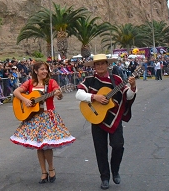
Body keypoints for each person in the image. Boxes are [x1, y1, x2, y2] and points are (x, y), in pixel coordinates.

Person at [76, 54, 136, 190]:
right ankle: (104, 177)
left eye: (102, 63)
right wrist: (94, 96)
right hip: (96, 118)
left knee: (118, 145)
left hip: (114, 118)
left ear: (107, 65)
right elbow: (78, 94)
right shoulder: (90, 80)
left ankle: (115, 170)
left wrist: (132, 87)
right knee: (100, 150)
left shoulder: (117, 79)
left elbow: (127, 96)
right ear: (94, 67)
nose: (100, 66)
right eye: (97, 64)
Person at [11, 61, 75, 183]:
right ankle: (43, 171)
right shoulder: (30, 82)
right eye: (42, 69)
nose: (45, 71)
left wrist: (59, 94)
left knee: (46, 145)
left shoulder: (51, 82)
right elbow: (16, 92)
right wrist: (25, 100)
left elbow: (59, 95)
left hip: (48, 116)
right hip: (34, 118)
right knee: (39, 146)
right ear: (36, 71)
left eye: (46, 69)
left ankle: (51, 169)